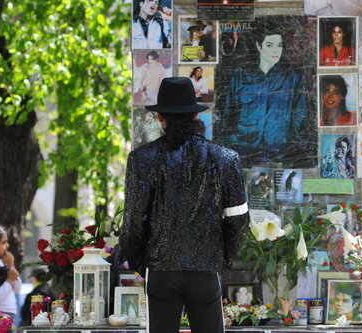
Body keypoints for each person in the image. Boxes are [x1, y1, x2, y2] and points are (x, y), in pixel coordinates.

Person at [120, 77, 249, 333]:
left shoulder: (142, 159)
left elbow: (134, 220)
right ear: (194, 116)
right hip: (205, 270)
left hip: (161, 270)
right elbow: (238, 220)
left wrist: (138, 262)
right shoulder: (225, 159)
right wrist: (223, 259)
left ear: (160, 118)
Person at [217, 20, 311, 167]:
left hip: (278, 152)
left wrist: (288, 142)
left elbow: (300, 115)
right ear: (259, 46)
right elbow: (228, 115)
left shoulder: (292, 78)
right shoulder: (241, 76)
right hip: (242, 150)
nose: (276, 51)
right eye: (269, 45)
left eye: (279, 46)